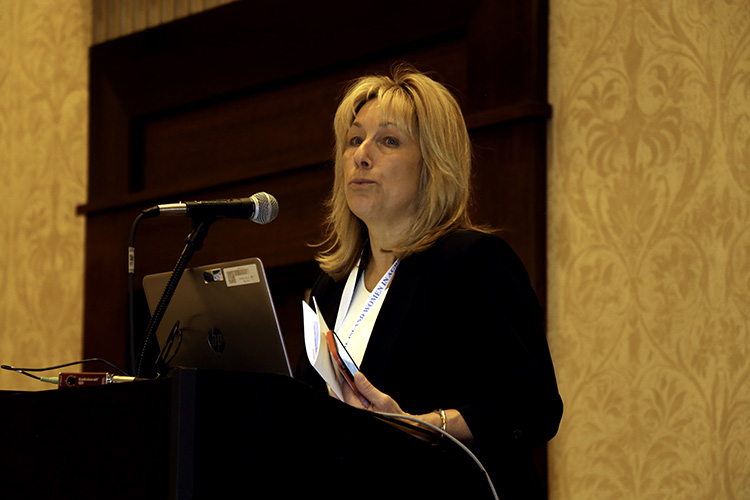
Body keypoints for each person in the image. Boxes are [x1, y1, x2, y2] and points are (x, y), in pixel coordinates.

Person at [296, 64, 562, 499]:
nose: (362, 154)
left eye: (389, 141)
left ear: (433, 164)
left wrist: (426, 427)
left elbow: (533, 407)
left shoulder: (471, 263)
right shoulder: (331, 286)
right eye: (354, 139)